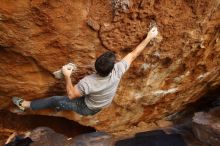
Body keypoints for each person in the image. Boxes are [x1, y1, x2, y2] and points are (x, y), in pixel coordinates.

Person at [12, 27, 158, 116]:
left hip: (86, 108)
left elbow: (70, 95)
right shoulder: (118, 70)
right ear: (112, 68)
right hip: (101, 103)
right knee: (68, 100)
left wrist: (67, 76)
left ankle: (25, 105)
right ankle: (58, 107)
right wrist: (149, 37)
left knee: (55, 99)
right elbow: (134, 54)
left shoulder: (88, 82)